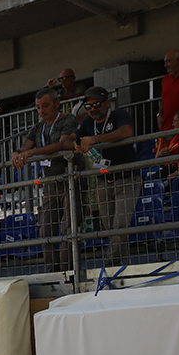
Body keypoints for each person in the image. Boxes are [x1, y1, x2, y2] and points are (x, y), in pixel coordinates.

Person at [11, 87, 81, 273]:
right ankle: (53, 273)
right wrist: (16, 154)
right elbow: (24, 147)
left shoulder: (68, 119)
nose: (41, 111)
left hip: (70, 180)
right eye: (38, 107)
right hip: (49, 184)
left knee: (69, 229)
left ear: (57, 104)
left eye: (45, 106)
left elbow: (63, 144)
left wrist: (33, 152)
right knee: (46, 231)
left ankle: (69, 273)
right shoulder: (38, 127)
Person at [74, 86, 139, 264]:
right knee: (109, 228)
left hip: (126, 177)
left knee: (120, 226)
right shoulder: (88, 123)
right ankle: (122, 265)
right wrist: (76, 144)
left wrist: (95, 139)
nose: (93, 109)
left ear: (106, 103)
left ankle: (110, 263)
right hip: (103, 180)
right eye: (88, 106)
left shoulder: (119, 115)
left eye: (96, 105)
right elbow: (72, 138)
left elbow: (126, 131)